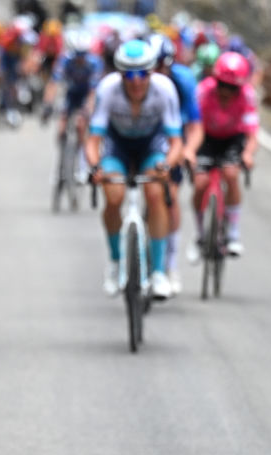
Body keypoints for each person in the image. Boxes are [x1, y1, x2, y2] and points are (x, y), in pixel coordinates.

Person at [85, 39, 183, 300]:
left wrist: (166, 166)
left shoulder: (165, 90)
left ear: (152, 72)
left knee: (155, 194)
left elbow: (176, 142)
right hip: (118, 146)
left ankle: (159, 272)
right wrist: (95, 167)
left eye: (142, 73)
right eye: (129, 74)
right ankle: (116, 261)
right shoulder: (108, 89)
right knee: (113, 196)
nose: (136, 80)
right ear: (120, 73)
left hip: (152, 145)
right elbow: (94, 139)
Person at [185, 51, 258, 261]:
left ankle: (233, 233)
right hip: (205, 137)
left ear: (240, 86)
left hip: (233, 139)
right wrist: (189, 150)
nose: (226, 91)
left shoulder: (247, 95)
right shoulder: (203, 91)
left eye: (232, 87)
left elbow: (252, 133)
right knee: (200, 183)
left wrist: (248, 154)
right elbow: (192, 125)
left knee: (231, 174)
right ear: (215, 80)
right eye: (222, 85)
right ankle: (200, 235)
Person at [151, 33, 202, 295]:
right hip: (146, 135)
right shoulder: (137, 80)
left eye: (163, 66)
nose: (158, 72)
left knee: (170, 193)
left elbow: (194, 124)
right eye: (153, 66)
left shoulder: (183, 81)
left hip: (174, 137)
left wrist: (189, 150)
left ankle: (170, 265)